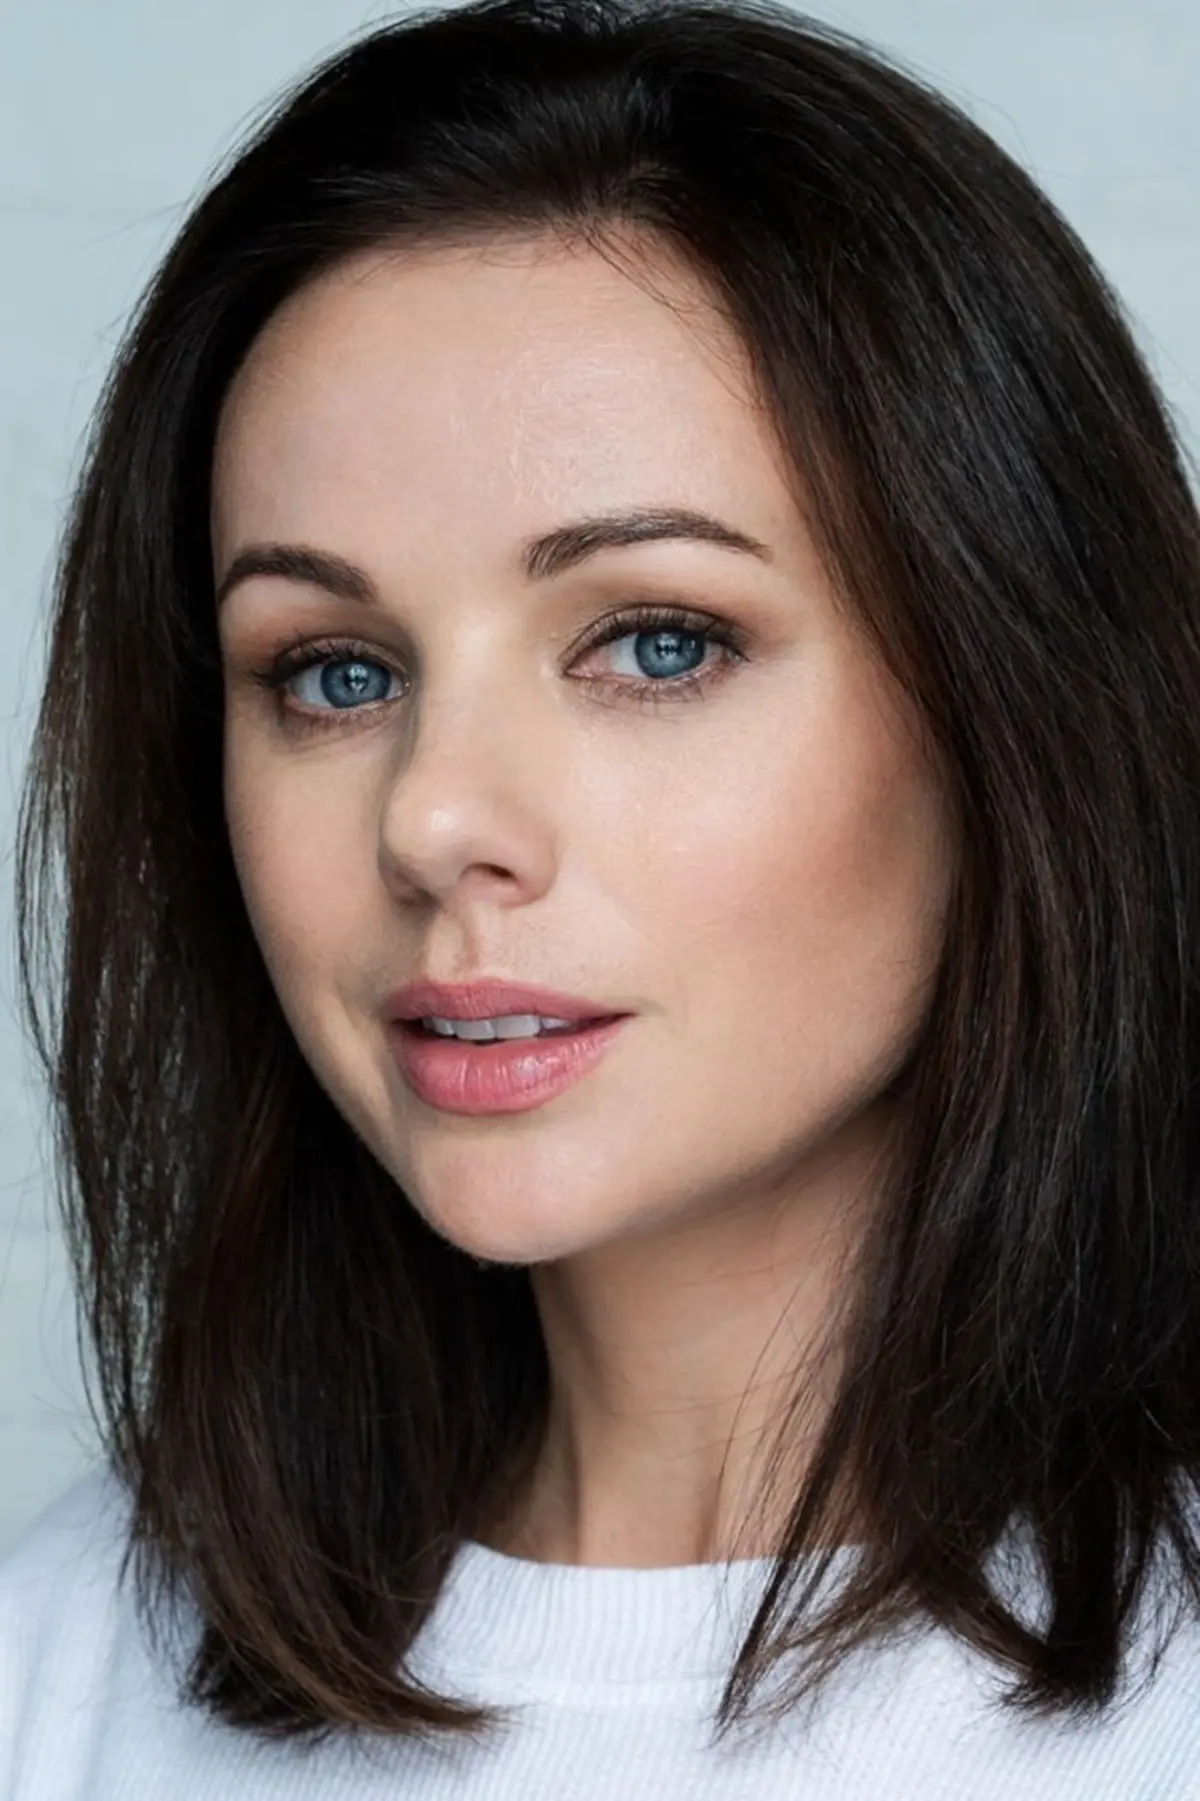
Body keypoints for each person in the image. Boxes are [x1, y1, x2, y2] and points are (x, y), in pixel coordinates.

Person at [4, 0, 1200, 1793]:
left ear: (1015, 704)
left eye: (654, 642)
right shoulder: (73, 1664)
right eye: (333, 671)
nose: (433, 820)